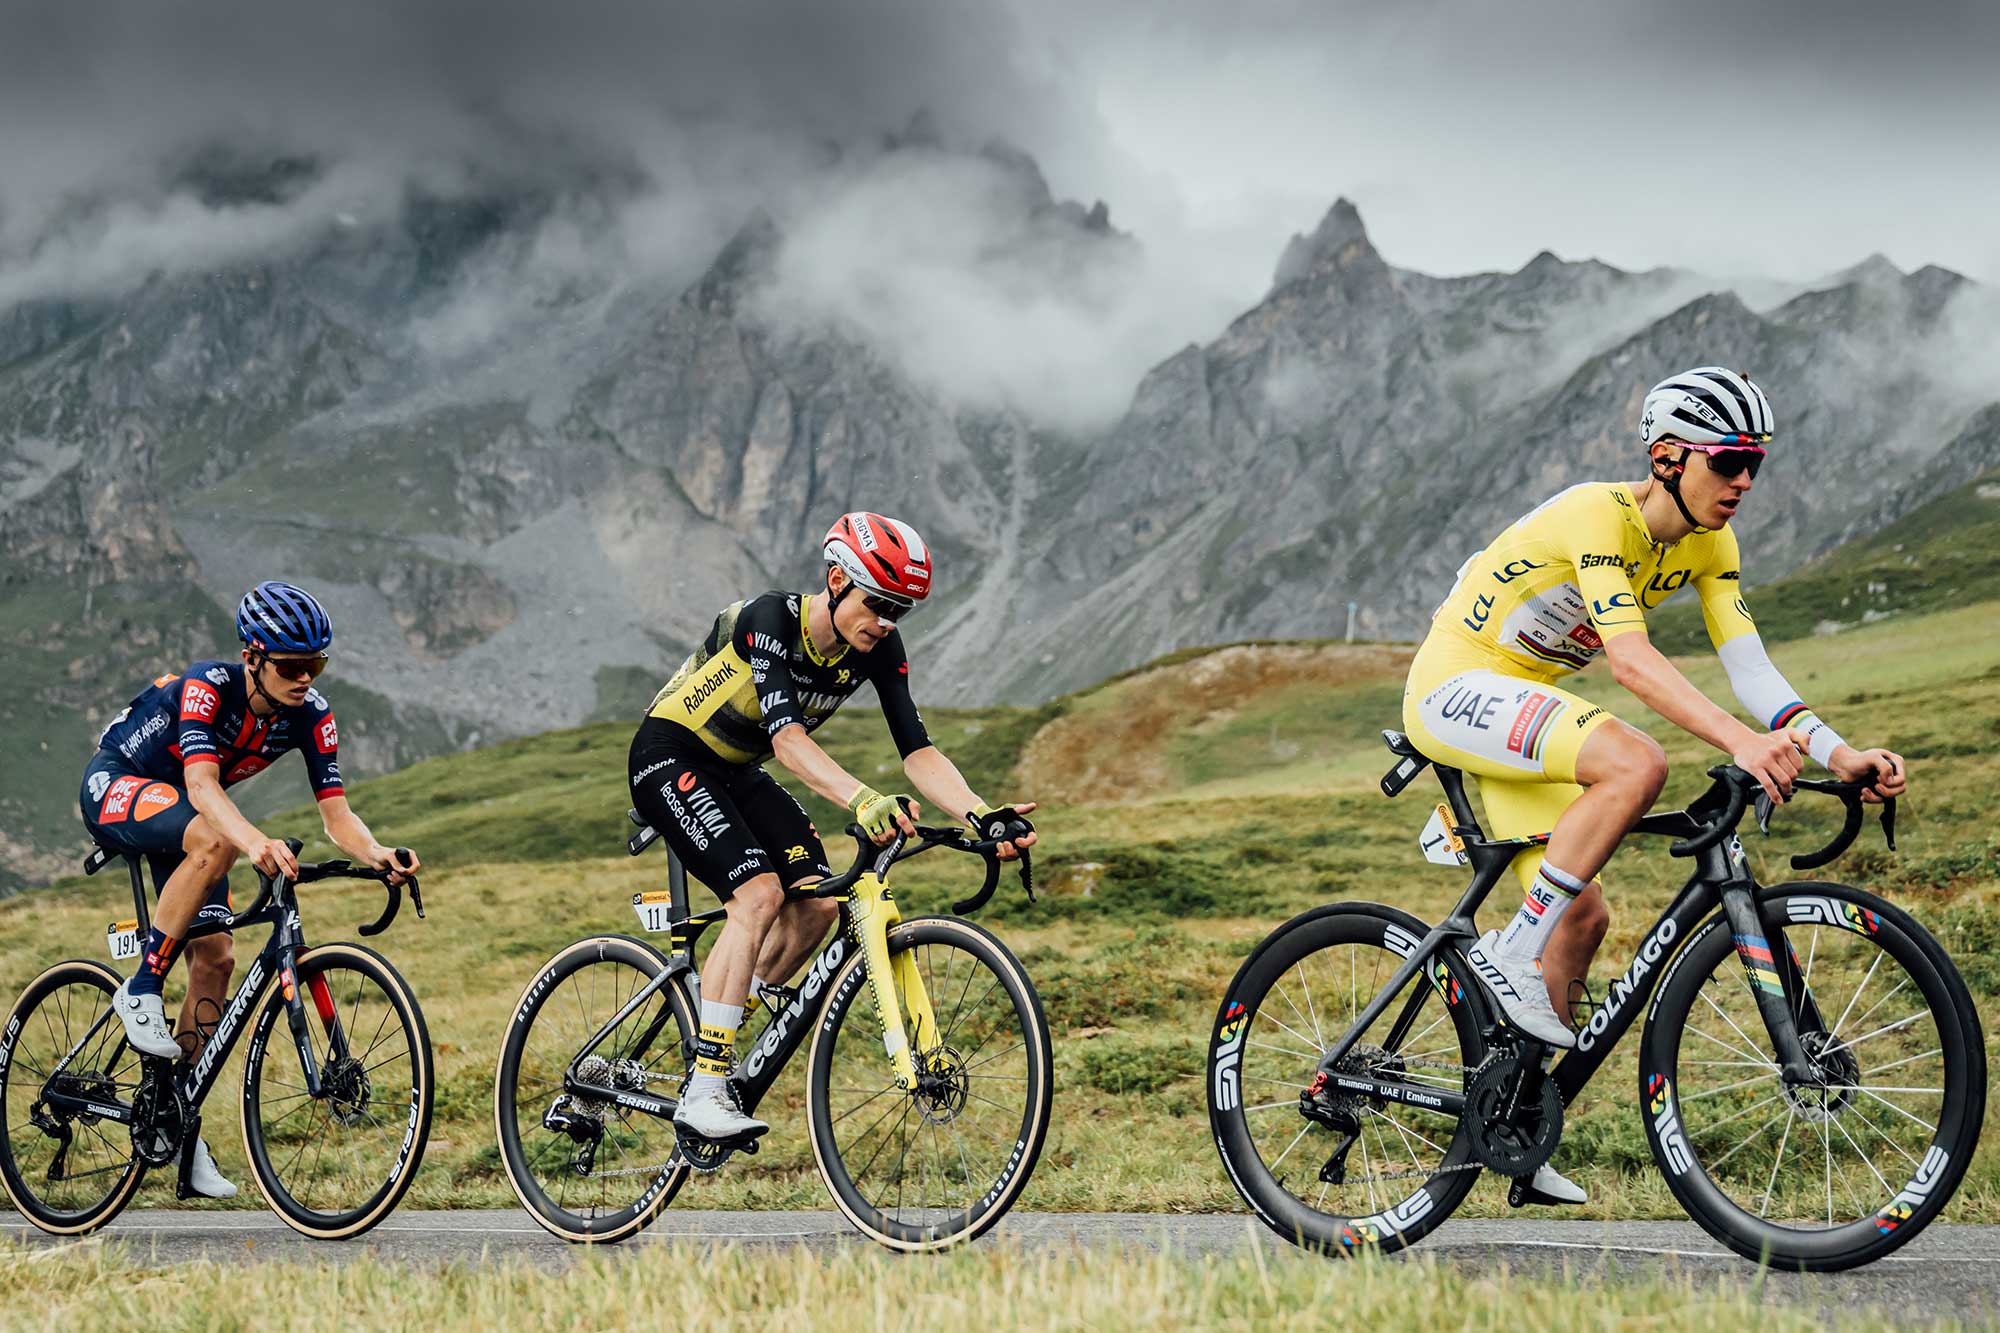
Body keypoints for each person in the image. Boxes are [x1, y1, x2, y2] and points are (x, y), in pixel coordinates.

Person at [1403, 367, 1906, 1203]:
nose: (1744, 480)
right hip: (1459, 682)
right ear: (1669, 455)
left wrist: (1836, 751)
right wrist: (1745, 744)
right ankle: (1507, 953)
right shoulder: (1598, 515)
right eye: (1730, 460)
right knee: (1638, 761)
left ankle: (1514, 1128)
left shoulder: (1713, 543)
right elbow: (1630, 660)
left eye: (1758, 465)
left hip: (1531, 697)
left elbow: (1751, 667)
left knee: (1585, 913)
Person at [631, 512, 1036, 1142]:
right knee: (759, 896)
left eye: (900, 611)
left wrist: (981, 813)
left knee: (818, 906)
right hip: (671, 756)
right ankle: (705, 1089)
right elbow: (788, 741)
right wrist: (863, 798)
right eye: (877, 603)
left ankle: (723, 1017)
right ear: (837, 580)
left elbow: (919, 752)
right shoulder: (769, 620)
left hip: (738, 771)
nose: (884, 622)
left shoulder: (879, 649)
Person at [82, 580, 421, 1197]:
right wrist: (256, 842)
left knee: (216, 957)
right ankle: (141, 989)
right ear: (252, 657)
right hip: (120, 784)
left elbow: (336, 816)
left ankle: (176, 1124)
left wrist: (378, 854)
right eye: (291, 665)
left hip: (187, 818)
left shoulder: (311, 714)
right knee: (214, 840)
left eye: (315, 664)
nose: (304, 679)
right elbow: (204, 787)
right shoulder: (207, 687)